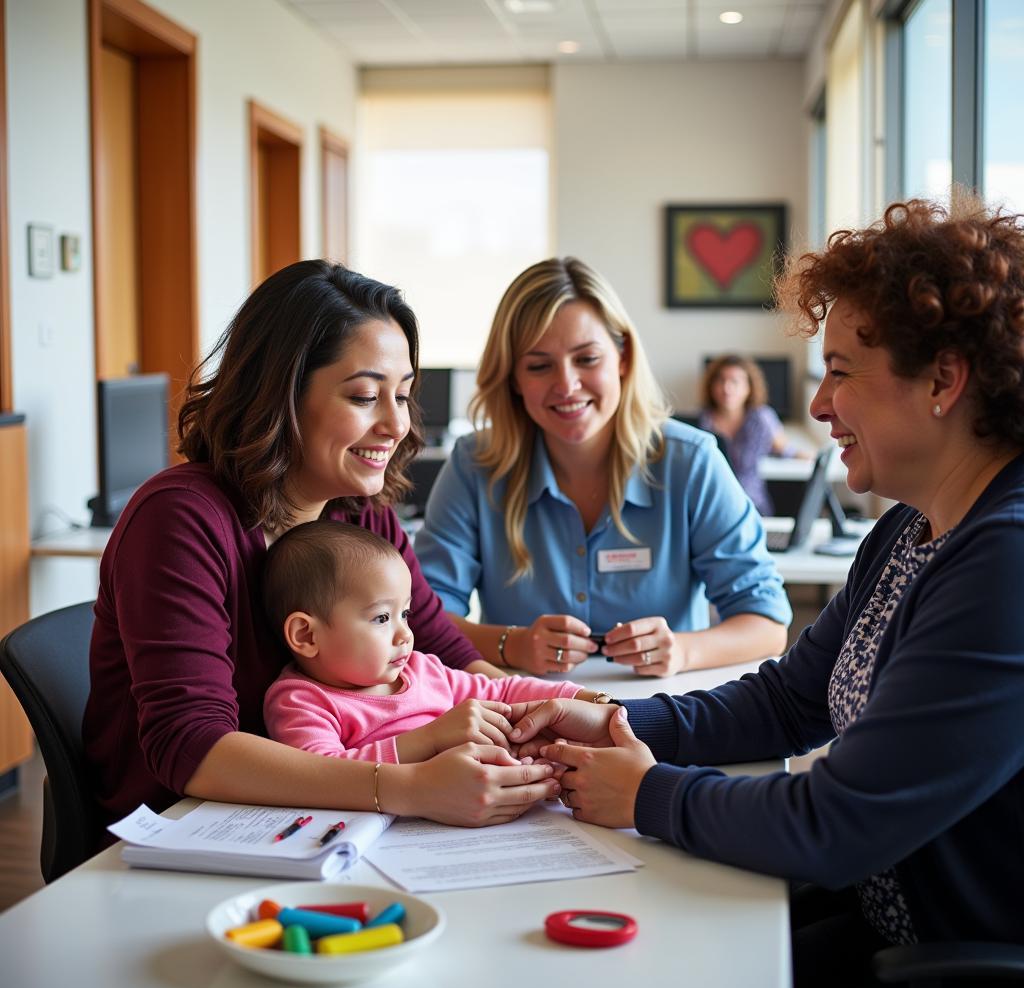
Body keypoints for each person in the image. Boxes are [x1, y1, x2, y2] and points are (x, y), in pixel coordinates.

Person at [506, 196, 1024, 988]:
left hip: (954, 978)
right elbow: (790, 700)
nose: (818, 407)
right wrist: (609, 721)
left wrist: (646, 794)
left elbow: (836, 820)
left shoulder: (1004, 563)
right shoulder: (910, 530)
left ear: (944, 380)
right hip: (885, 927)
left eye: (843, 371)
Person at [84, 260, 562, 837]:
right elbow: (192, 748)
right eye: (365, 396)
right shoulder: (181, 519)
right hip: (187, 835)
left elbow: (447, 655)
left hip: (322, 818)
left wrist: (550, 714)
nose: (398, 425)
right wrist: (406, 788)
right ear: (280, 394)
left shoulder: (360, 516)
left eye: (404, 396)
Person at [414, 257, 791, 678]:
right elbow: (423, 620)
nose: (567, 385)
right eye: (539, 365)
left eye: (587, 359)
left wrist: (683, 651)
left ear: (623, 358)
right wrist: (512, 644)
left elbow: (768, 625)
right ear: (514, 378)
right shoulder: (474, 465)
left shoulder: (691, 461)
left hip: (665, 722)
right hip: (521, 720)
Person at [261, 520, 613, 762]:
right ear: (306, 635)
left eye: (405, 614)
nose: (405, 634)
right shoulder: (302, 702)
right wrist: (430, 739)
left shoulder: (423, 670)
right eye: (382, 618)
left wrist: (585, 699)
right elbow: (328, 771)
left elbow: (502, 692)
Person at [698, 353, 806, 514]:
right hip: (711, 504)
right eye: (720, 380)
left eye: (735, 381)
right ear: (711, 386)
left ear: (748, 387)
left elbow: (783, 448)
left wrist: (808, 456)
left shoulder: (761, 418)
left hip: (751, 505)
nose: (727, 388)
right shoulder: (701, 422)